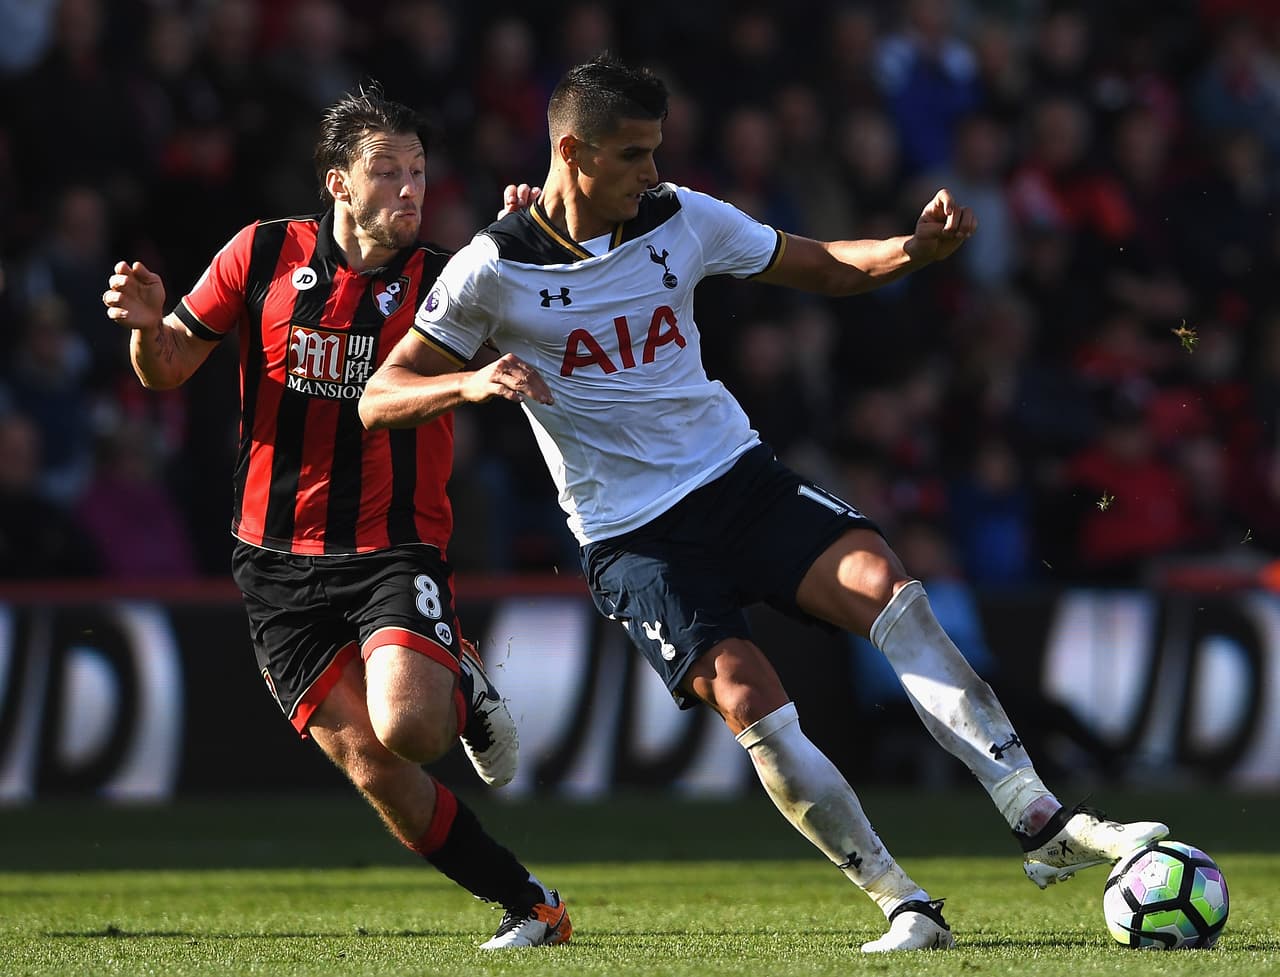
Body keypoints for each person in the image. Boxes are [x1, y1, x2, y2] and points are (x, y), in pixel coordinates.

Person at [358, 54, 1168, 953]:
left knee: (886, 584)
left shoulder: (681, 219)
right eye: (632, 155)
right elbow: (380, 393)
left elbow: (816, 265)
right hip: (633, 535)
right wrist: (468, 385)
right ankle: (903, 901)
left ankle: (1038, 818)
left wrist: (909, 249)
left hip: (735, 476)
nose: (652, 173)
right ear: (572, 152)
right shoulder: (492, 268)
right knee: (751, 697)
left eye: (656, 150)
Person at [101, 83, 571, 950]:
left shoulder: (444, 279)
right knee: (373, 765)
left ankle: (455, 679)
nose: (407, 190)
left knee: (412, 727)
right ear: (338, 183)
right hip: (272, 560)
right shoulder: (261, 253)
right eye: (386, 172)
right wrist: (140, 328)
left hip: (394, 544)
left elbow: (560, 294)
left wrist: (540, 228)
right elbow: (165, 366)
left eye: (418, 173)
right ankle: (532, 903)